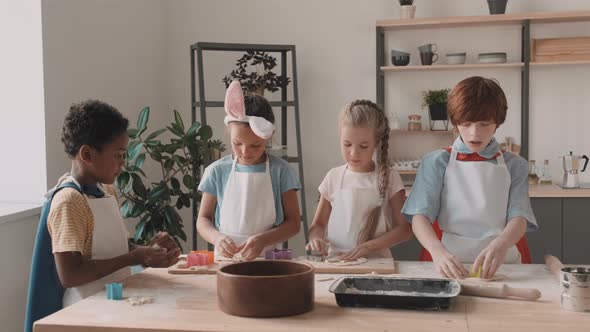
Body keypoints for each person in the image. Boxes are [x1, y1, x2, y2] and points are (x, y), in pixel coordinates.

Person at [25, 100, 180, 332]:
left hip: (112, 306)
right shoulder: (69, 201)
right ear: (87, 153)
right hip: (83, 315)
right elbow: (70, 274)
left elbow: (115, 247)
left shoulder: (105, 191)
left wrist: (148, 250)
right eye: (118, 155)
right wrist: (135, 257)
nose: (123, 163)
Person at [402, 76, 538, 279]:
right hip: (449, 263)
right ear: (455, 122)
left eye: (484, 124)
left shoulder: (515, 165)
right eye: (466, 124)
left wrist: (501, 245)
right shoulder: (436, 162)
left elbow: (519, 217)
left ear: (498, 122)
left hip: (503, 263)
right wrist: (437, 252)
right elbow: (420, 217)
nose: (475, 133)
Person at [196, 81, 301, 260]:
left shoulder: (281, 171)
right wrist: (217, 238)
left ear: (268, 138)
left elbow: (293, 223)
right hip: (225, 260)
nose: (245, 152)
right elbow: (203, 219)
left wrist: (262, 239)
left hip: (267, 259)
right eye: (237, 143)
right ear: (229, 133)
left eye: (256, 145)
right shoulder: (217, 171)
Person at [306, 99, 412, 260]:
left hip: (377, 262)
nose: (354, 153)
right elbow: (318, 225)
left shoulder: (390, 177)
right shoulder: (333, 177)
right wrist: (315, 239)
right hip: (337, 260)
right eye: (347, 144)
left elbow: (405, 230)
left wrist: (369, 246)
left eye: (363, 146)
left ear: (376, 143)